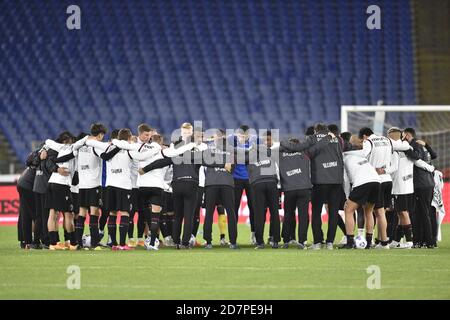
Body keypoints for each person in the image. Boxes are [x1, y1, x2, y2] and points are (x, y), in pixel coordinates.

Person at [281, 123, 342, 250]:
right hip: (336, 180)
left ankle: (318, 242)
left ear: (315, 131)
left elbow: (299, 147)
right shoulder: (337, 139)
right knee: (333, 212)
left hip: (319, 180)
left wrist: (283, 142)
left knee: (316, 212)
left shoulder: (313, 139)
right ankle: (330, 242)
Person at [358, 127, 411, 249]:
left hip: (376, 180)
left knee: (371, 211)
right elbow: (406, 147)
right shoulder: (387, 140)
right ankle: (383, 241)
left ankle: (374, 242)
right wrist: (385, 170)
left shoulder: (368, 142)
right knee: (381, 212)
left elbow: (363, 157)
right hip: (388, 179)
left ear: (365, 137)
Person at [387, 127, 435, 249]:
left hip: (403, 186)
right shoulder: (408, 147)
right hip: (410, 186)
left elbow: (395, 167)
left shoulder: (398, 148)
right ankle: (398, 240)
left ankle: (411, 241)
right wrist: (430, 168)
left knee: (404, 212)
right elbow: (417, 161)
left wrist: (384, 171)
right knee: (401, 212)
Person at [44, 133, 88, 250]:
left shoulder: (61, 147)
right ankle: (73, 243)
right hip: (62, 184)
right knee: (69, 214)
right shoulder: (75, 149)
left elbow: (48, 140)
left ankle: (53, 244)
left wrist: (44, 149)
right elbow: (74, 181)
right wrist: (89, 139)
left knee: (52, 214)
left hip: (52, 182)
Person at [340, 135, 381, 249]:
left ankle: (349, 242)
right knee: (369, 211)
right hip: (376, 181)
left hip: (362, 182)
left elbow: (346, 180)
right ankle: (368, 243)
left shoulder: (344, 158)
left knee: (348, 210)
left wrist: (347, 197)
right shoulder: (361, 156)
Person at [202, 129, 238, 249]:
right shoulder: (209, 148)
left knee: (229, 213)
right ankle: (210, 241)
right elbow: (205, 162)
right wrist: (223, 164)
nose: (219, 138)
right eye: (217, 136)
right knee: (211, 213)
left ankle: (231, 241)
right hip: (215, 183)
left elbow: (232, 168)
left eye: (221, 136)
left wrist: (216, 162)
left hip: (222, 183)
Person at [402, 128, 437, 248]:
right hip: (428, 182)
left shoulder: (414, 145)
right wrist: (427, 145)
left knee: (420, 213)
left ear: (407, 135)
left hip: (420, 183)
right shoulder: (422, 144)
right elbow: (434, 156)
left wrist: (406, 149)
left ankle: (426, 241)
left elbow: (416, 158)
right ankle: (427, 240)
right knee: (427, 212)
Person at [228, 125, 257, 244]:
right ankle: (233, 237)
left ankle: (254, 234)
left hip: (250, 179)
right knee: (234, 208)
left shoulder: (252, 146)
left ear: (248, 135)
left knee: (253, 208)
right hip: (236, 179)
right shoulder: (233, 146)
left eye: (244, 135)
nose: (241, 137)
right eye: (239, 135)